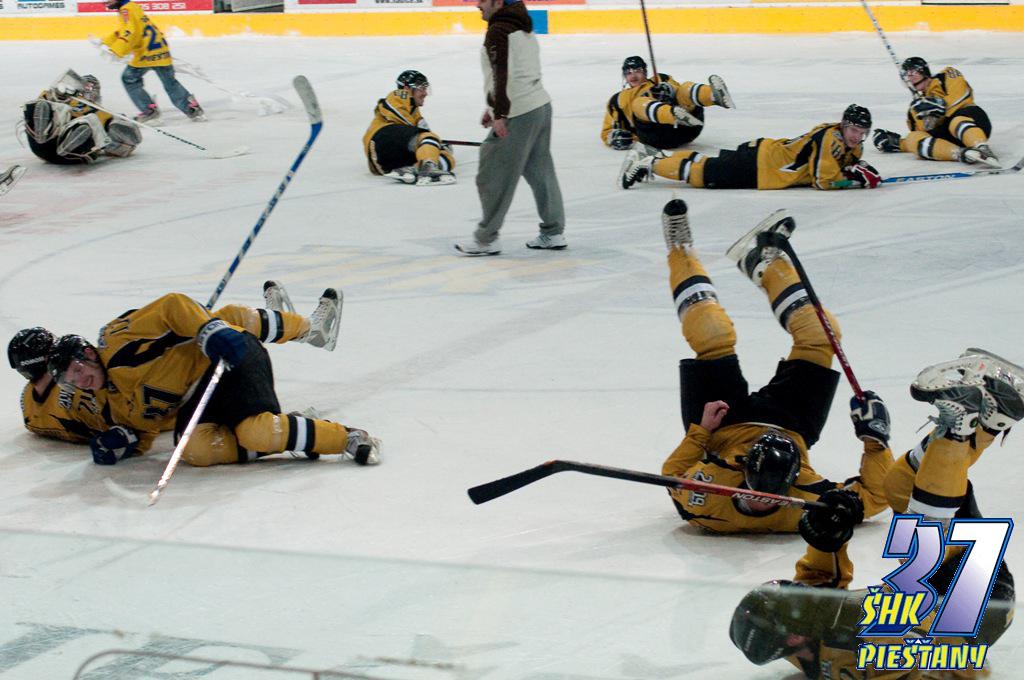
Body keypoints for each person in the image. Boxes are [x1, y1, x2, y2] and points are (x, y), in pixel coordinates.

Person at [729, 356, 1019, 677]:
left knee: (899, 485)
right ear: (795, 636)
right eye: (790, 597)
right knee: (919, 546)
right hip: (977, 607)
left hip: (938, 589)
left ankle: (993, 420)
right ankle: (958, 427)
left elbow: (819, 585)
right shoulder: (860, 660)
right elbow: (965, 667)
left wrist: (826, 539)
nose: (795, 589)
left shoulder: (805, 635)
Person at [658, 199, 892, 533]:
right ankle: (764, 263)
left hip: (722, 427)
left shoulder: (707, 505)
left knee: (711, 331)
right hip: (792, 424)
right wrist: (876, 441)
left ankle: (680, 250)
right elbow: (876, 497)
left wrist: (701, 433)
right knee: (821, 335)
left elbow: (672, 475)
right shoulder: (806, 505)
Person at [45, 283, 382, 468]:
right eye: (70, 381)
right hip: (198, 395)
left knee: (228, 320)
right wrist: (125, 442)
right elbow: (145, 431)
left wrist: (209, 331)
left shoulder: (117, 340)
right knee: (194, 451)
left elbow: (172, 306)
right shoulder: (108, 403)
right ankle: (291, 429)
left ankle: (347, 437)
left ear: (88, 354)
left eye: (77, 370)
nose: (79, 381)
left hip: (227, 359)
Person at [7, 282, 329, 449]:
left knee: (210, 325)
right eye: (67, 373)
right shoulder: (92, 382)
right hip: (166, 406)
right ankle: (305, 329)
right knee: (225, 319)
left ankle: (297, 329)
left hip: (153, 410)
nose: (74, 378)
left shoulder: (31, 409)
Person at [454, 0, 566, 256]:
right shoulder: (521, 24)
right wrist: (493, 107)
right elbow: (521, 70)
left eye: (483, 0)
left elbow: (502, 73)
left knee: (493, 172)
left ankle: (486, 239)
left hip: (519, 111)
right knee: (540, 170)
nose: (478, 5)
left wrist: (500, 113)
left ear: (498, 2)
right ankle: (553, 232)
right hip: (539, 105)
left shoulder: (499, 30)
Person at [620, 104, 881, 191]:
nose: (857, 137)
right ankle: (648, 163)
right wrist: (853, 181)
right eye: (854, 130)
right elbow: (823, 181)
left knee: (705, 162)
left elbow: (843, 164)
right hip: (762, 166)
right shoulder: (831, 139)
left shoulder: (850, 145)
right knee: (704, 174)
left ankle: (658, 156)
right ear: (843, 125)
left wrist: (859, 168)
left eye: (862, 133)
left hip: (764, 154)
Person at [873, 57, 998, 168]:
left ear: (924, 71)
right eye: (906, 77)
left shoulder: (946, 75)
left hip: (972, 119)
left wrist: (940, 106)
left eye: (913, 73)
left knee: (956, 121)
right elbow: (925, 133)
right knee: (912, 138)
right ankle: (961, 153)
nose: (910, 79)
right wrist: (899, 143)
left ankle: (982, 148)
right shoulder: (916, 108)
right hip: (949, 139)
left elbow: (962, 95)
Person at [97, 0, 203, 124]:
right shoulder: (133, 7)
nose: (106, 2)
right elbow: (126, 30)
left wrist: (116, 50)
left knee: (129, 79)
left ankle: (149, 111)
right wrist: (106, 41)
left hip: (146, 54)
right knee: (170, 83)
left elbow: (131, 32)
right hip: (161, 51)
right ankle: (191, 108)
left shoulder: (126, 10)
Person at [601, 55, 734, 152]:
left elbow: (679, 92)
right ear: (624, 76)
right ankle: (674, 115)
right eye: (628, 72)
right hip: (655, 135)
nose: (633, 76)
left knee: (684, 88)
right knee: (639, 103)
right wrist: (614, 137)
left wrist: (669, 89)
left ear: (645, 72)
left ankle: (713, 96)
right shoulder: (618, 100)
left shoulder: (661, 79)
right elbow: (607, 131)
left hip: (688, 128)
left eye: (637, 71)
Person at [22, 70, 141, 165]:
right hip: (42, 145)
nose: (88, 93)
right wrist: (57, 97)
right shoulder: (61, 98)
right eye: (85, 89)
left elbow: (128, 141)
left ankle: (70, 145)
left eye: (92, 90)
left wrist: (117, 127)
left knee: (90, 120)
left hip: (74, 156)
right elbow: (37, 108)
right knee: (42, 104)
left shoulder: (102, 113)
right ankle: (42, 134)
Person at [363, 70, 456, 186]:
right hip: (382, 138)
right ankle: (429, 168)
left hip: (383, 164)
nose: (425, 93)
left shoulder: (415, 113)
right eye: (421, 88)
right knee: (428, 138)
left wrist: (437, 146)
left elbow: (426, 138)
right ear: (407, 88)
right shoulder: (400, 94)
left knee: (446, 156)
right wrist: (430, 140)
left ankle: (416, 169)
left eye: (426, 89)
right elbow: (395, 112)